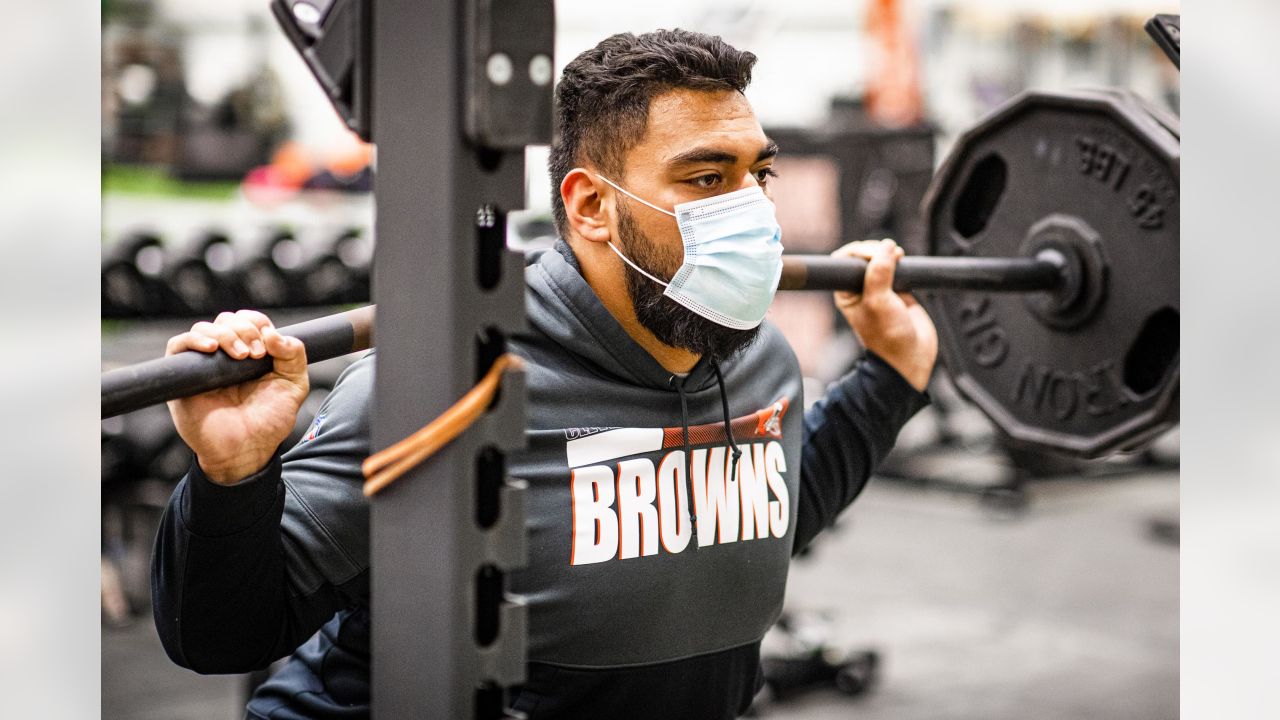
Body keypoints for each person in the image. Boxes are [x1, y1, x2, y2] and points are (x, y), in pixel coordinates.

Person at [151, 28, 938, 720]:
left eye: (756, 174)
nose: (754, 209)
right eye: (706, 178)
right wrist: (231, 479)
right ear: (591, 205)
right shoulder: (445, 385)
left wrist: (892, 378)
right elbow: (224, 636)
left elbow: (764, 524)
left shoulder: (757, 358)